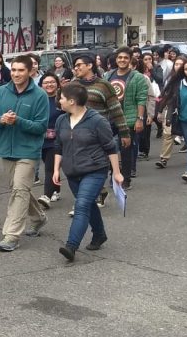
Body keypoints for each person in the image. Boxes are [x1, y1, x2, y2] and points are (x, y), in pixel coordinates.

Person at [53, 81, 125, 259]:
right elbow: (58, 146)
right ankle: (100, 234)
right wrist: (56, 170)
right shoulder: (61, 120)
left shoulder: (97, 121)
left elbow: (110, 147)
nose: (59, 101)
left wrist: (116, 172)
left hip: (94, 170)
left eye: (61, 98)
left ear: (72, 101)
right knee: (89, 204)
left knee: (82, 205)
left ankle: (71, 246)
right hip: (72, 172)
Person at [0, 54, 49, 252]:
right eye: (13, 70)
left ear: (31, 71)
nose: (16, 74)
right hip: (6, 149)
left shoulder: (40, 95)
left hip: (29, 151)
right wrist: (1, 120)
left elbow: (41, 127)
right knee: (18, 189)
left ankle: (11, 235)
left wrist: (18, 121)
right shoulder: (1, 92)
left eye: (21, 70)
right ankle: (39, 217)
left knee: (19, 191)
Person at [71, 53, 130, 207]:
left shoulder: (104, 85)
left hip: (99, 132)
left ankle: (88, 198)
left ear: (90, 66)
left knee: (96, 164)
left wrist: (124, 132)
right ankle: (98, 192)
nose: (76, 68)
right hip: (77, 133)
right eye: (75, 66)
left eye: (79, 65)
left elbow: (116, 110)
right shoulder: (73, 84)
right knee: (80, 165)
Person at [103, 48, 148, 189]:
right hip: (110, 118)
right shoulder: (108, 75)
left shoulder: (138, 77)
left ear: (130, 60)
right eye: (120, 57)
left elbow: (142, 99)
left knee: (126, 149)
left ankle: (126, 179)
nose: (122, 60)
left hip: (128, 118)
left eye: (125, 58)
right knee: (109, 148)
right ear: (116, 60)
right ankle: (114, 175)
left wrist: (139, 119)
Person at [153, 57, 187, 169]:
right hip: (171, 108)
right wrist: (160, 110)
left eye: (181, 64)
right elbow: (165, 95)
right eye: (176, 64)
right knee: (168, 133)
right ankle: (164, 158)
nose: (178, 66)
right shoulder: (171, 78)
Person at [36, 72, 63, 209]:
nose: (49, 85)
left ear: (57, 84)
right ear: (41, 85)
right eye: (46, 83)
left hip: (58, 140)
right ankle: (56, 190)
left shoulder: (62, 99)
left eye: (52, 82)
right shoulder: (38, 99)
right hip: (41, 139)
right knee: (51, 165)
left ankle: (46, 196)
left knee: (50, 168)